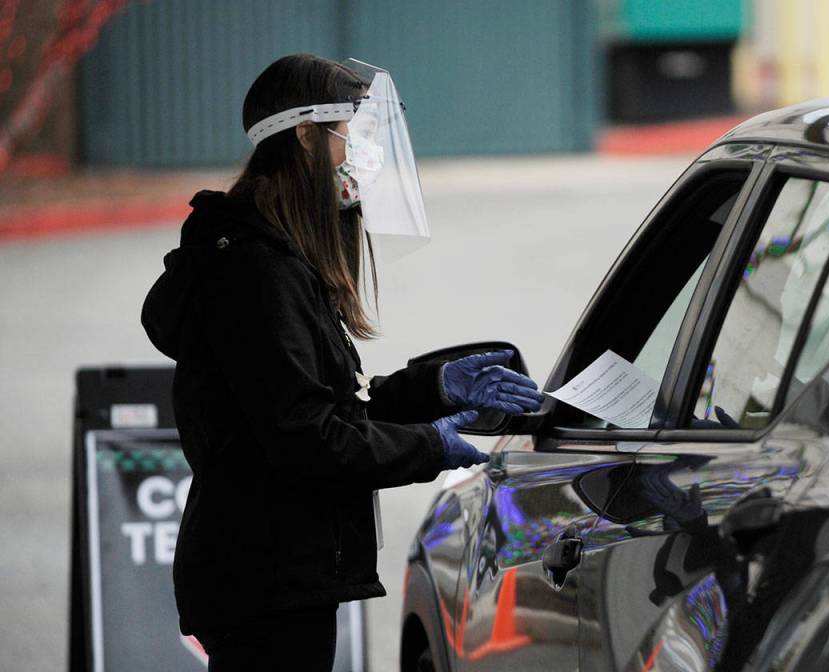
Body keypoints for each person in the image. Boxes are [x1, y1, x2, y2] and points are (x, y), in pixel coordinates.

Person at [140, 54, 544, 671]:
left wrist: (434, 388)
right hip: (264, 580)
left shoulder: (275, 257)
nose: (365, 156)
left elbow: (328, 404)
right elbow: (309, 438)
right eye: (352, 135)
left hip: (278, 571)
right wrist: (429, 446)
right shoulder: (256, 272)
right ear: (306, 135)